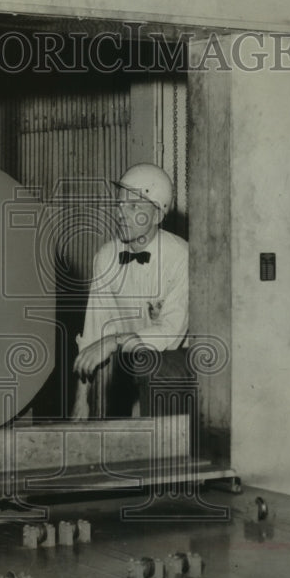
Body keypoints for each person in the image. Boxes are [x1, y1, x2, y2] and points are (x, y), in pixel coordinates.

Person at [71, 163, 190, 420]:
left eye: (134, 206)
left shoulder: (182, 257)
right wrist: (81, 402)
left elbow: (170, 335)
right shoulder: (106, 256)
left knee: (156, 366)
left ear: (157, 216)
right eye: (120, 204)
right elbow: (93, 333)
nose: (121, 214)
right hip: (130, 362)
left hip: (175, 366)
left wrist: (113, 342)